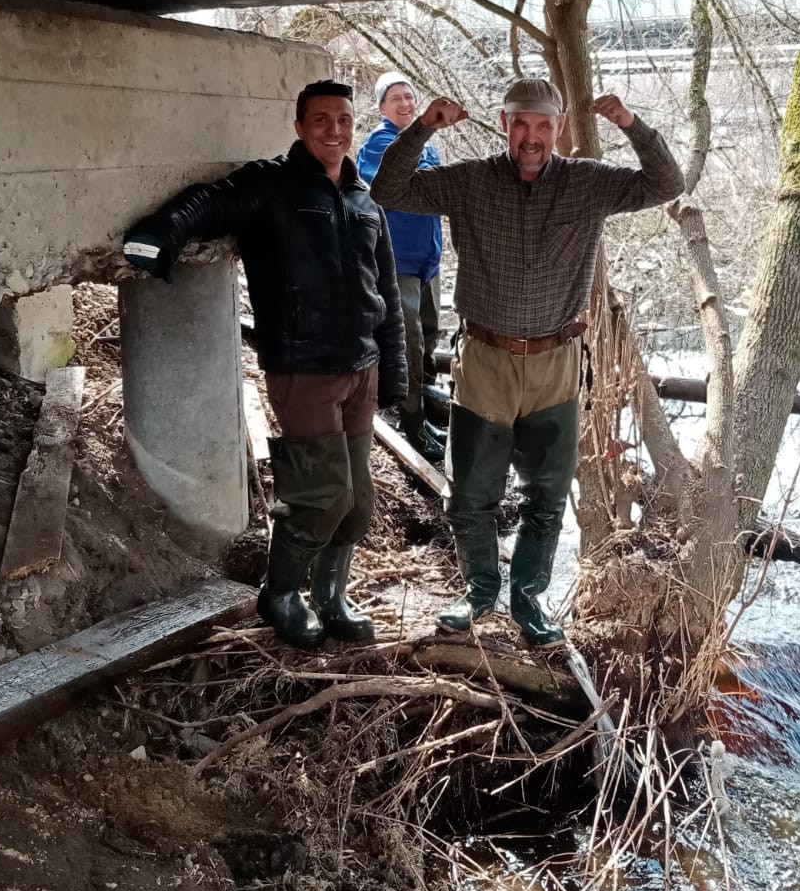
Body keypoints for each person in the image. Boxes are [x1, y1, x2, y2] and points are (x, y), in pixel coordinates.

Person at [371, 77, 684, 645]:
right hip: (485, 361)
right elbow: (388, 191)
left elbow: (667, 183)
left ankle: (529, 598)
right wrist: (421, 128)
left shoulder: (587, 182)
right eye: (521, 123)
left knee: (546, 493)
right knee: (470, 493)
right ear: (505, 122)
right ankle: (479, 591)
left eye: (543, 125)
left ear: (558, 129)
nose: (532, 136)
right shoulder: (470, 181)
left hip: (556, 364)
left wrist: (631, 126)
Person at [122, 80, 407, 649]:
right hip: (303, 369)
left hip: (362, 368)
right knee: (322, 495)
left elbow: (389, 294)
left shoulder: (363, 199)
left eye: (343, 120)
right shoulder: (273, 186)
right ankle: (278, 594)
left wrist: (395, 370)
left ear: (355, 126)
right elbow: (211, 201)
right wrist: (162, 233)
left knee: (357, 504)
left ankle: (331, 599)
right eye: (320, 120)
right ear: (300, 128)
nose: (334, 130)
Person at [357, 73, 447, 464]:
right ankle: (412, 423)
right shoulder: (379, 142)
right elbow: (395, 185)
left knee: (428, 335)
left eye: (410, 96)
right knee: (408, 342)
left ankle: (425, 407)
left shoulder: (427, 146)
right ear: (381, 107)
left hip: (427, 263)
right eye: (395, 98)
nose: (405, 104)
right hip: (399, 264)